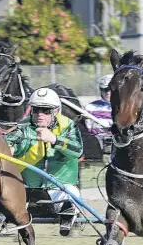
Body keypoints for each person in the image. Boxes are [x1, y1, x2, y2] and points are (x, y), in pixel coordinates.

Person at [5, 87, 84, 236]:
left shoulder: (68, 126)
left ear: (56, 111)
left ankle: (67, 219)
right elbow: (11, 142)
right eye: (36, 110)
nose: (40, 114)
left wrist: (54, 139)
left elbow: (77, 150)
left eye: (46, 111)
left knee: (71, 197)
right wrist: (9, 148)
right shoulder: (23, 127)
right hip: (27, 188)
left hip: (60, 187)